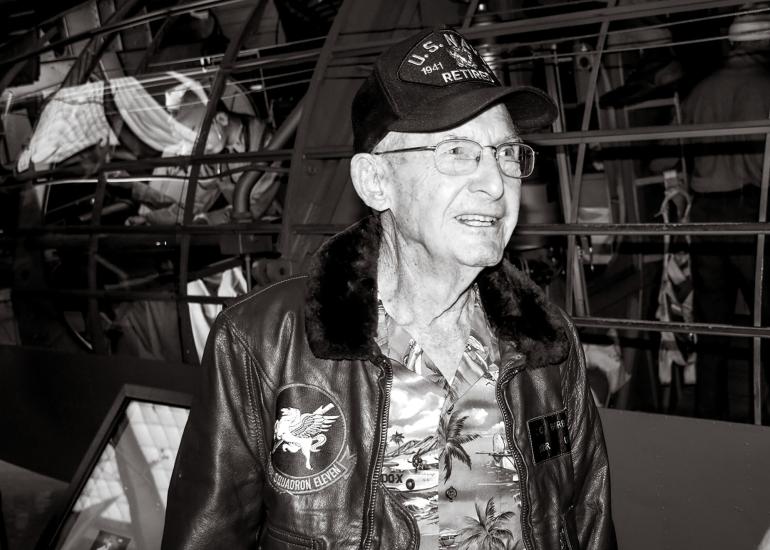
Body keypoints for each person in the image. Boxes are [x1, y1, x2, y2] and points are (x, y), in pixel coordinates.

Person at [161, 27, 616, 550]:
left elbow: (590, 523)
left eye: (507, 154)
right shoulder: (262, 345)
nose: (495, 182)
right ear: (376, 182)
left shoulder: (547, 346)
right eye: (458, 151)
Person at [676, 8, 770, 420]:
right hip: (750, 211)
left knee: (712, 328)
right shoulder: (765, 87)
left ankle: (708, 420)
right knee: (764, 326)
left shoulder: (699, 91)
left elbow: (675, 154)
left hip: (705, 214)